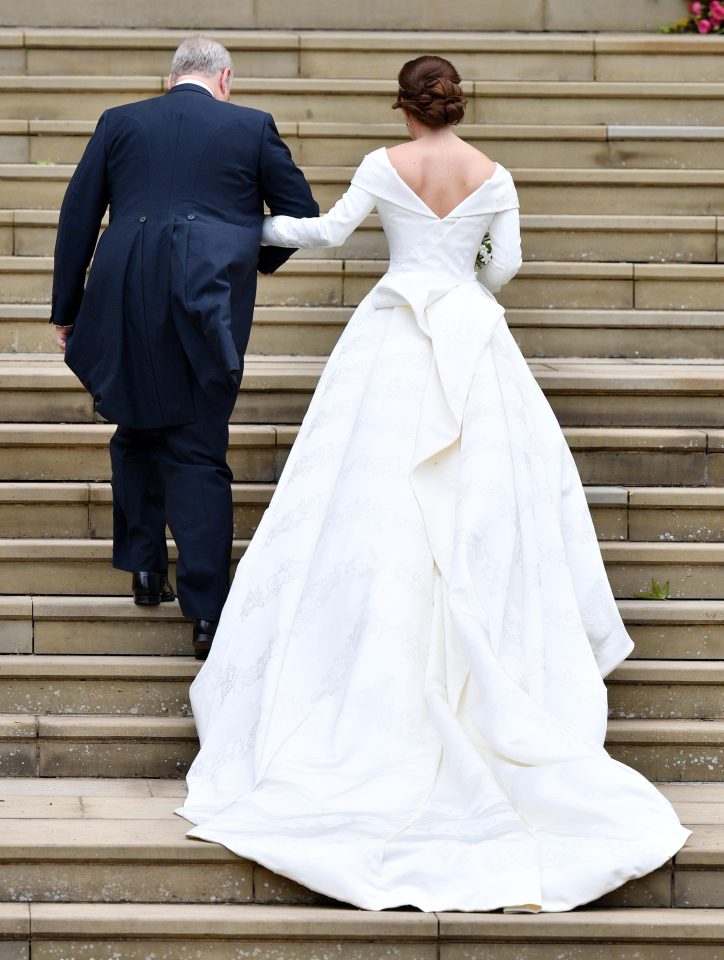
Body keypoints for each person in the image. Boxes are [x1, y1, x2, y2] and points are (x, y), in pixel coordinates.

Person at [178, 56, 689, 911]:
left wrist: (247, 228)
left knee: (367, 504)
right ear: (455, 104)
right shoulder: (493, 173)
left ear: (403, 107)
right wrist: (465, 279)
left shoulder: (384, 165)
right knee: (483, 506)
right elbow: (506, 269)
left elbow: (330, 232)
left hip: (393, 333)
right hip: (470, 334)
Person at [50, 36, 318, 659]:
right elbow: (299, 214)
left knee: (136, 426)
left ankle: (145, 567)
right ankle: (205, 613)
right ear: (223, 78)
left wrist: (68, 309)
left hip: (122, 295)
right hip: (207, 299)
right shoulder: (251, 127)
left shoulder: (120, 122)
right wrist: (241, 255)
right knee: (198, 446)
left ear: (171, 79)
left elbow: (78, 217)